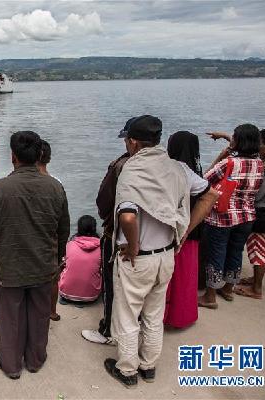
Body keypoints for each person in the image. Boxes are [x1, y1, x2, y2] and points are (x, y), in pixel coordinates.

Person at [105, 115, 218, 388]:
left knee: (129, 315)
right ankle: (149, 365)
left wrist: (132, 247)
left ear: (132, 142)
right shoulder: (178, 168)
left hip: (138, 258)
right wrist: (186, 229)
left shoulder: (131, 171)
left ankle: (128, 370)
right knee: (154, 314)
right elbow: (211, 194)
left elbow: (128, 217)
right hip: (166, 254)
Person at [0, 131, 70, 379]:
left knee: (10, 318)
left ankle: (11, 364)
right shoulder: (55, 188)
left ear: (13, 156)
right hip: (43, 265)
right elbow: (63, 229)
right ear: (40, 155)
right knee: (40, 316)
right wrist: (59, 257)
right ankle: (36, 360)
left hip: (9, 266)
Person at [198, 124, 263, 309]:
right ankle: (227, 289)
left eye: (233, 137)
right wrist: (226, 137)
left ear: (239, 141)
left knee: (215, 254)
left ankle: (210, 297)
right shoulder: (259, 163)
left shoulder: (229, 163)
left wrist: (221, 156)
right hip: (247, 216)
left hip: (222, 216)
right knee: (235, 252)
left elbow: (204, 181)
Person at [81, 120, 131, 346]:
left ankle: (109, 330)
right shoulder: (169, 165)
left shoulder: (121, 166)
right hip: (157, 242)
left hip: (119, 236)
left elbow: (103, 201)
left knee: (112, 285)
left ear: (132, 140)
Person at [163, 131, 208, 328]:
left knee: (168, 278)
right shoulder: (196, 174)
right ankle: (183, 315)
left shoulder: (171, 173)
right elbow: (210, 196)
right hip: (193, 232)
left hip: (172, 232)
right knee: (186, 277)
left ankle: (163, 315)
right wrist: (190, 228)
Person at [235, 127, 265, 299]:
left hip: (263, 214)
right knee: (258, 248)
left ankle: (256, 289)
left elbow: (258, 193)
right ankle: (255, 279)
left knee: (258, 250)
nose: (258, 147)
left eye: (261, 144)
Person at [37, 139, 62, 320]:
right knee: (53, 279)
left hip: (33, 237)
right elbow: (62, 218)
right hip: (51, 237)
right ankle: (52, 311)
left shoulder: (21, 181)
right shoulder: (56, 183)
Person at [58, 215, 101, 303]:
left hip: (65, 293)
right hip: (91, 296)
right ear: (94, 228)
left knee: (65, 264)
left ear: (78, 228)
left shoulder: (70, 244)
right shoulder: (101, 246)